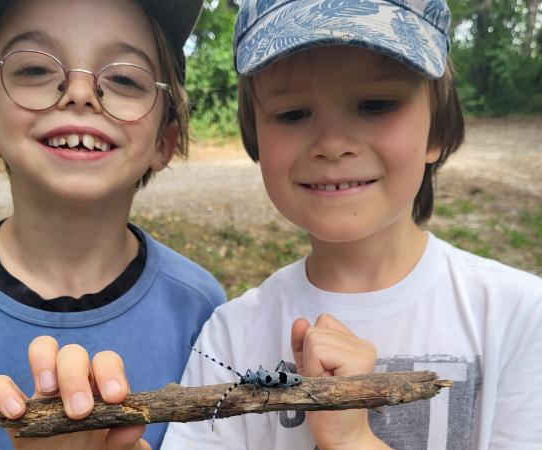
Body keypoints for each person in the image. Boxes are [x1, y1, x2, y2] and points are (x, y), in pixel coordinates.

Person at [159, 0, 542, 449]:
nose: (333, 144)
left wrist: (353, 440)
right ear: (255, 137)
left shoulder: (519, 317)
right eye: (293, 114)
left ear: (436, 131)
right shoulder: (230, 335)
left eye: (376, 104)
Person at [0, 0, 226, 449]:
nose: (80, 93)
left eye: (125, 78)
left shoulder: (203, 310)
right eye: (34, 70)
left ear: (164, 143)